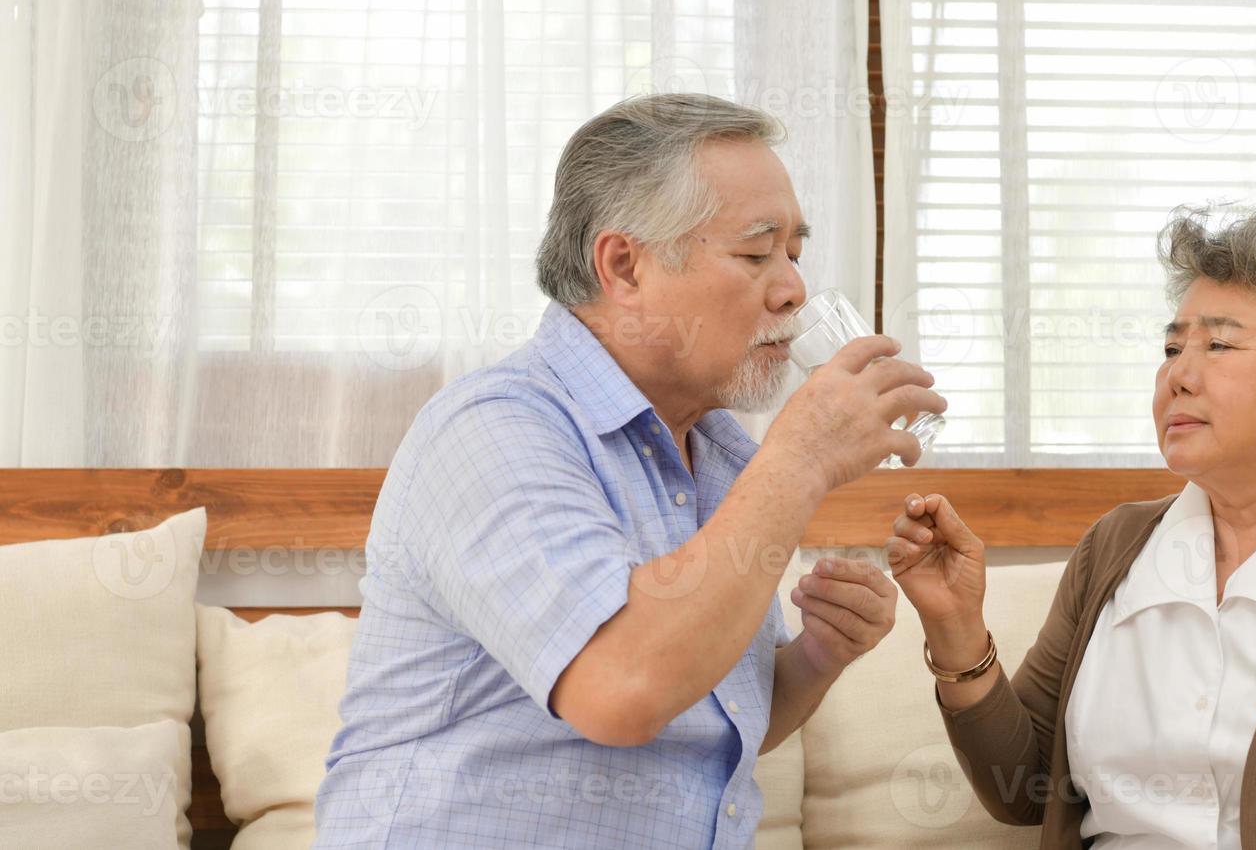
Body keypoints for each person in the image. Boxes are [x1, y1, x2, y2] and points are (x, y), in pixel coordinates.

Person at [312, 93, 945, 848]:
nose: (793, 289)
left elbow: (703, 721)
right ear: (624, 266)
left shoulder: (717, 453)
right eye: (755, 252)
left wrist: (813, 658)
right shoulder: (494, 431)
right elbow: (623, 692)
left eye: (795, 254)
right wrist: (801, 457)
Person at [887, 207, 1256, 849]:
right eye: (1172, 349)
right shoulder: (1117, 545)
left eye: (1218, 345)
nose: (1178, 377)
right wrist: (956, 629)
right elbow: (1022, 787)